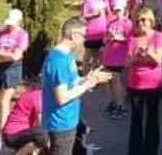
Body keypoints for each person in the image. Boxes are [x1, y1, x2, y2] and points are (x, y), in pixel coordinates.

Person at [41, 17, 112, 155]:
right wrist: (87, 85)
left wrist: (89, 78)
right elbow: (61, 97)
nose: (84, 40)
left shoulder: (67, 57)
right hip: (61, 122)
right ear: (74, 35)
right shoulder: (58, 61)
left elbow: (71, 82)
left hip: (69, 119)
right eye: (83, 36)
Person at [126, 8, 162, 155]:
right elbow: (127, 63)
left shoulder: (158, 37)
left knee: (152, 118)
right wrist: (136, 56)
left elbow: (159, 61)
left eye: (143, 20)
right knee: (136, 119)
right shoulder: (133, 39)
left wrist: (149, 52)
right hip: (135, 84)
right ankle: (135, 151)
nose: (140, 23)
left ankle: (151, 150)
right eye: (137, 20)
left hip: (153, 83)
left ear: (150, 21)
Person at [0, 8, 30, 150]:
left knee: (4, 101)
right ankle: (9, 119)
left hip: (12, 70)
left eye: (12, 24)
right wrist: (6, 54)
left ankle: (1, 136)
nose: (9, 26)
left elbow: (16, 57)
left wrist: (1, 54)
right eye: (8, 23)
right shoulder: (0, 33)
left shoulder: (22, 35)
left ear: (19, 22)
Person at [102, 0, 133, 119]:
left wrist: (119, 38)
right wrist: (107, 39)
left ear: (124, 10)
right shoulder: (111, 23)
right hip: (109, 56)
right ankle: (113, 102)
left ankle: (121, 105)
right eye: (115, 11)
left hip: (120, 57)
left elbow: (131, 41)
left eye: (119, 11)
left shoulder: (128, 24)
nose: (117, 13)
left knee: (116, 81)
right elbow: (104, 39)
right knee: (109, 81)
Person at [0, 80, 47, 154]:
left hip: (16, 133)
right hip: (13, 135)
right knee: (43, 134)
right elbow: (40, 123)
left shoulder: (34, 93)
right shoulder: (39, 95)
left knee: (43, 134)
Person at [81, 0, 108, 72]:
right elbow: (84, 15)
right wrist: (94, 14)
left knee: (99, 54)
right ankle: (84, 72)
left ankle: (95, 72)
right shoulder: (89, 0)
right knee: (88, 53)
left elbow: (108, 13)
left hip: (102, 31)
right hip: (92, 31)